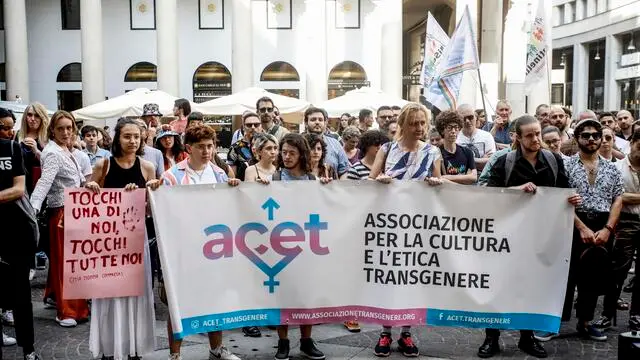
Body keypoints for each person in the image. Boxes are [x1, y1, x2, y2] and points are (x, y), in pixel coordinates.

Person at [479, 115, 581, 358]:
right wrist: (517, 190)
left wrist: (571, 199)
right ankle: (491, 338)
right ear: (517, 137)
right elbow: (488, 195)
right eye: (530, 135)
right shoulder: (504, 161)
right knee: (498, 288)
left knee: (532, 287)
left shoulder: (553, 159)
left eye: (538, 134)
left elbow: (563, 191)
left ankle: (527, 338)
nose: (536, 139)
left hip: (540, 236)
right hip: (506, 237)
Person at [157, 125, 241, 360]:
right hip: (184, 249)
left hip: (215, 247)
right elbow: (162, 213)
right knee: (178, 303)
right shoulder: (171, 176)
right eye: (201, 147)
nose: (207, 151)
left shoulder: (221, 175)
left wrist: (235, 190)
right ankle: (175, 354)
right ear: (188, 148)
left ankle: (216, 349)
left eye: (210, 146)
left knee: (215, 299)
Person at [368, 103, 444, 357]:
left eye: (423, 123)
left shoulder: (433, 151)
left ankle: (406, 333)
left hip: (419, 224)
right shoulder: (387, 149)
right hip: (389, 223)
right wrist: (379, 181)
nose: (419, 128)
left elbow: (439, 184)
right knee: (390, 277)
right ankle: (386, 331)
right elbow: (369, 182)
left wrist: (436, 182)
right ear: (403, 124)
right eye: (414, 123)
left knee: (413, 278)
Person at [84, 119, 159, 360]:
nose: (132, 141)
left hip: (136, 240)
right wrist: (91, 187)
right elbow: (88, 200)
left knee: (136, 294)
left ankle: (133, 347)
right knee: (109, 293)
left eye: (137, 136)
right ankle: (109, 347)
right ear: (118, 138)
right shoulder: (104, 165)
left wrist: (149, 194)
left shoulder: (147, 167)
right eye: (127, 136)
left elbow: (150, 212)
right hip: (108, 241)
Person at [250, 133, 328, 360]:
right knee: (281, 296)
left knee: (306, 296)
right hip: (281, 245)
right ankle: (283, 341)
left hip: (306, 245)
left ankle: (306, 340)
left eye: (291, 153)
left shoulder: (311, 180)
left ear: (301, 154)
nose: (286, 157)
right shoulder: (275, 177)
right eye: (283, 152)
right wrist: (261, 188)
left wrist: (326, 188)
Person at [564, 118, 623, 341]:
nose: (591, 139)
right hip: (572, 223)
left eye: (595, 135)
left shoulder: (612, 168)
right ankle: (554, 324)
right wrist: (580, 227)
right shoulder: (566, 165)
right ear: (577, 138)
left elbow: (618, 199)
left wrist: (608, 228)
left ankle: (586, 322)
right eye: (586, 135)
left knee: (593, 276)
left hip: (602, 226)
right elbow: (559, 199)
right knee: (566, 276)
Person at [30, 110, 90, 327]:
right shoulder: (53, 153)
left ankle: (59, 297)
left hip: (73, 211)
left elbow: (76, 178)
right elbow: (44, 183)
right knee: (67, 264)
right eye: (61, 128)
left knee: (69, 262)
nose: (66, 132)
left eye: (69, 127)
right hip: (62, 213)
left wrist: (87, 184)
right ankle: (66, 311)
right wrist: (33, 208)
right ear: (52, 130)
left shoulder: (65, 149)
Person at [0, 110, 41, 360]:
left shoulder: (12, 149)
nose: (9, 131)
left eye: (10, 127)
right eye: (3, 127)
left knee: (21, 294)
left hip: (16, 229)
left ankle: (29, 349)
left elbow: (18, 189)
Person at [593, 128, 640, 332]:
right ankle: (607, 313)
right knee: (619, 270)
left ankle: (636, 315)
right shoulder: (618, 167)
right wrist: (626, 197)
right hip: (625, 222)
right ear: (632, 143)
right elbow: (618, 197)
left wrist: (628, 196)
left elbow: (625, 196)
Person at [434, 111, 477, 184]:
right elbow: (438, 179)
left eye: (456, 128)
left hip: (464, 194)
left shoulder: (467, 152)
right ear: (442, 130)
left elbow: (473, 177)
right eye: (449, 128)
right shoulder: (436, 153)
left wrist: (447, 177)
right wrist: (464, 181)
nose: (453, 131)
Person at [227, 111, 262, 181]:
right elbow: (232, 177)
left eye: (256, 124)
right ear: (243, 127)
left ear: (261, 126)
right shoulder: (235, 148)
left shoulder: (269, 145)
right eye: (249, 125)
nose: (253, 127)